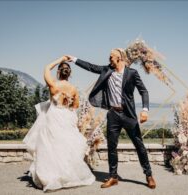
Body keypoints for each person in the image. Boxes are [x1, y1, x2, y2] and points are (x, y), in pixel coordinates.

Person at [66, 48, 156, 189]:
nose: (109, 60)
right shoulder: (107, 70)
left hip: (128, 115)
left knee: (139, 145)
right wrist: (75, 59)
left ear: (119, 58)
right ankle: (113, 177)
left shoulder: (132, 73)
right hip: (113, 114)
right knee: (111, 147)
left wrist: (145, 110)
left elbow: (143, 91)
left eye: (111, 57)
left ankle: (149, 175)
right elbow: (91, 67)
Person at [23, 56, 95, 192]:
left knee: (51, 146)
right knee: (65, 146)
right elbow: (75, 106)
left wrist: (60, 59)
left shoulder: (53, 85)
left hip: (53, 116)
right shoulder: (73, 89)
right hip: (67, 117)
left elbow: (46, 68)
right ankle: (66, 175)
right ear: (70, 74)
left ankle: (51, 176)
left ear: (58, 72)